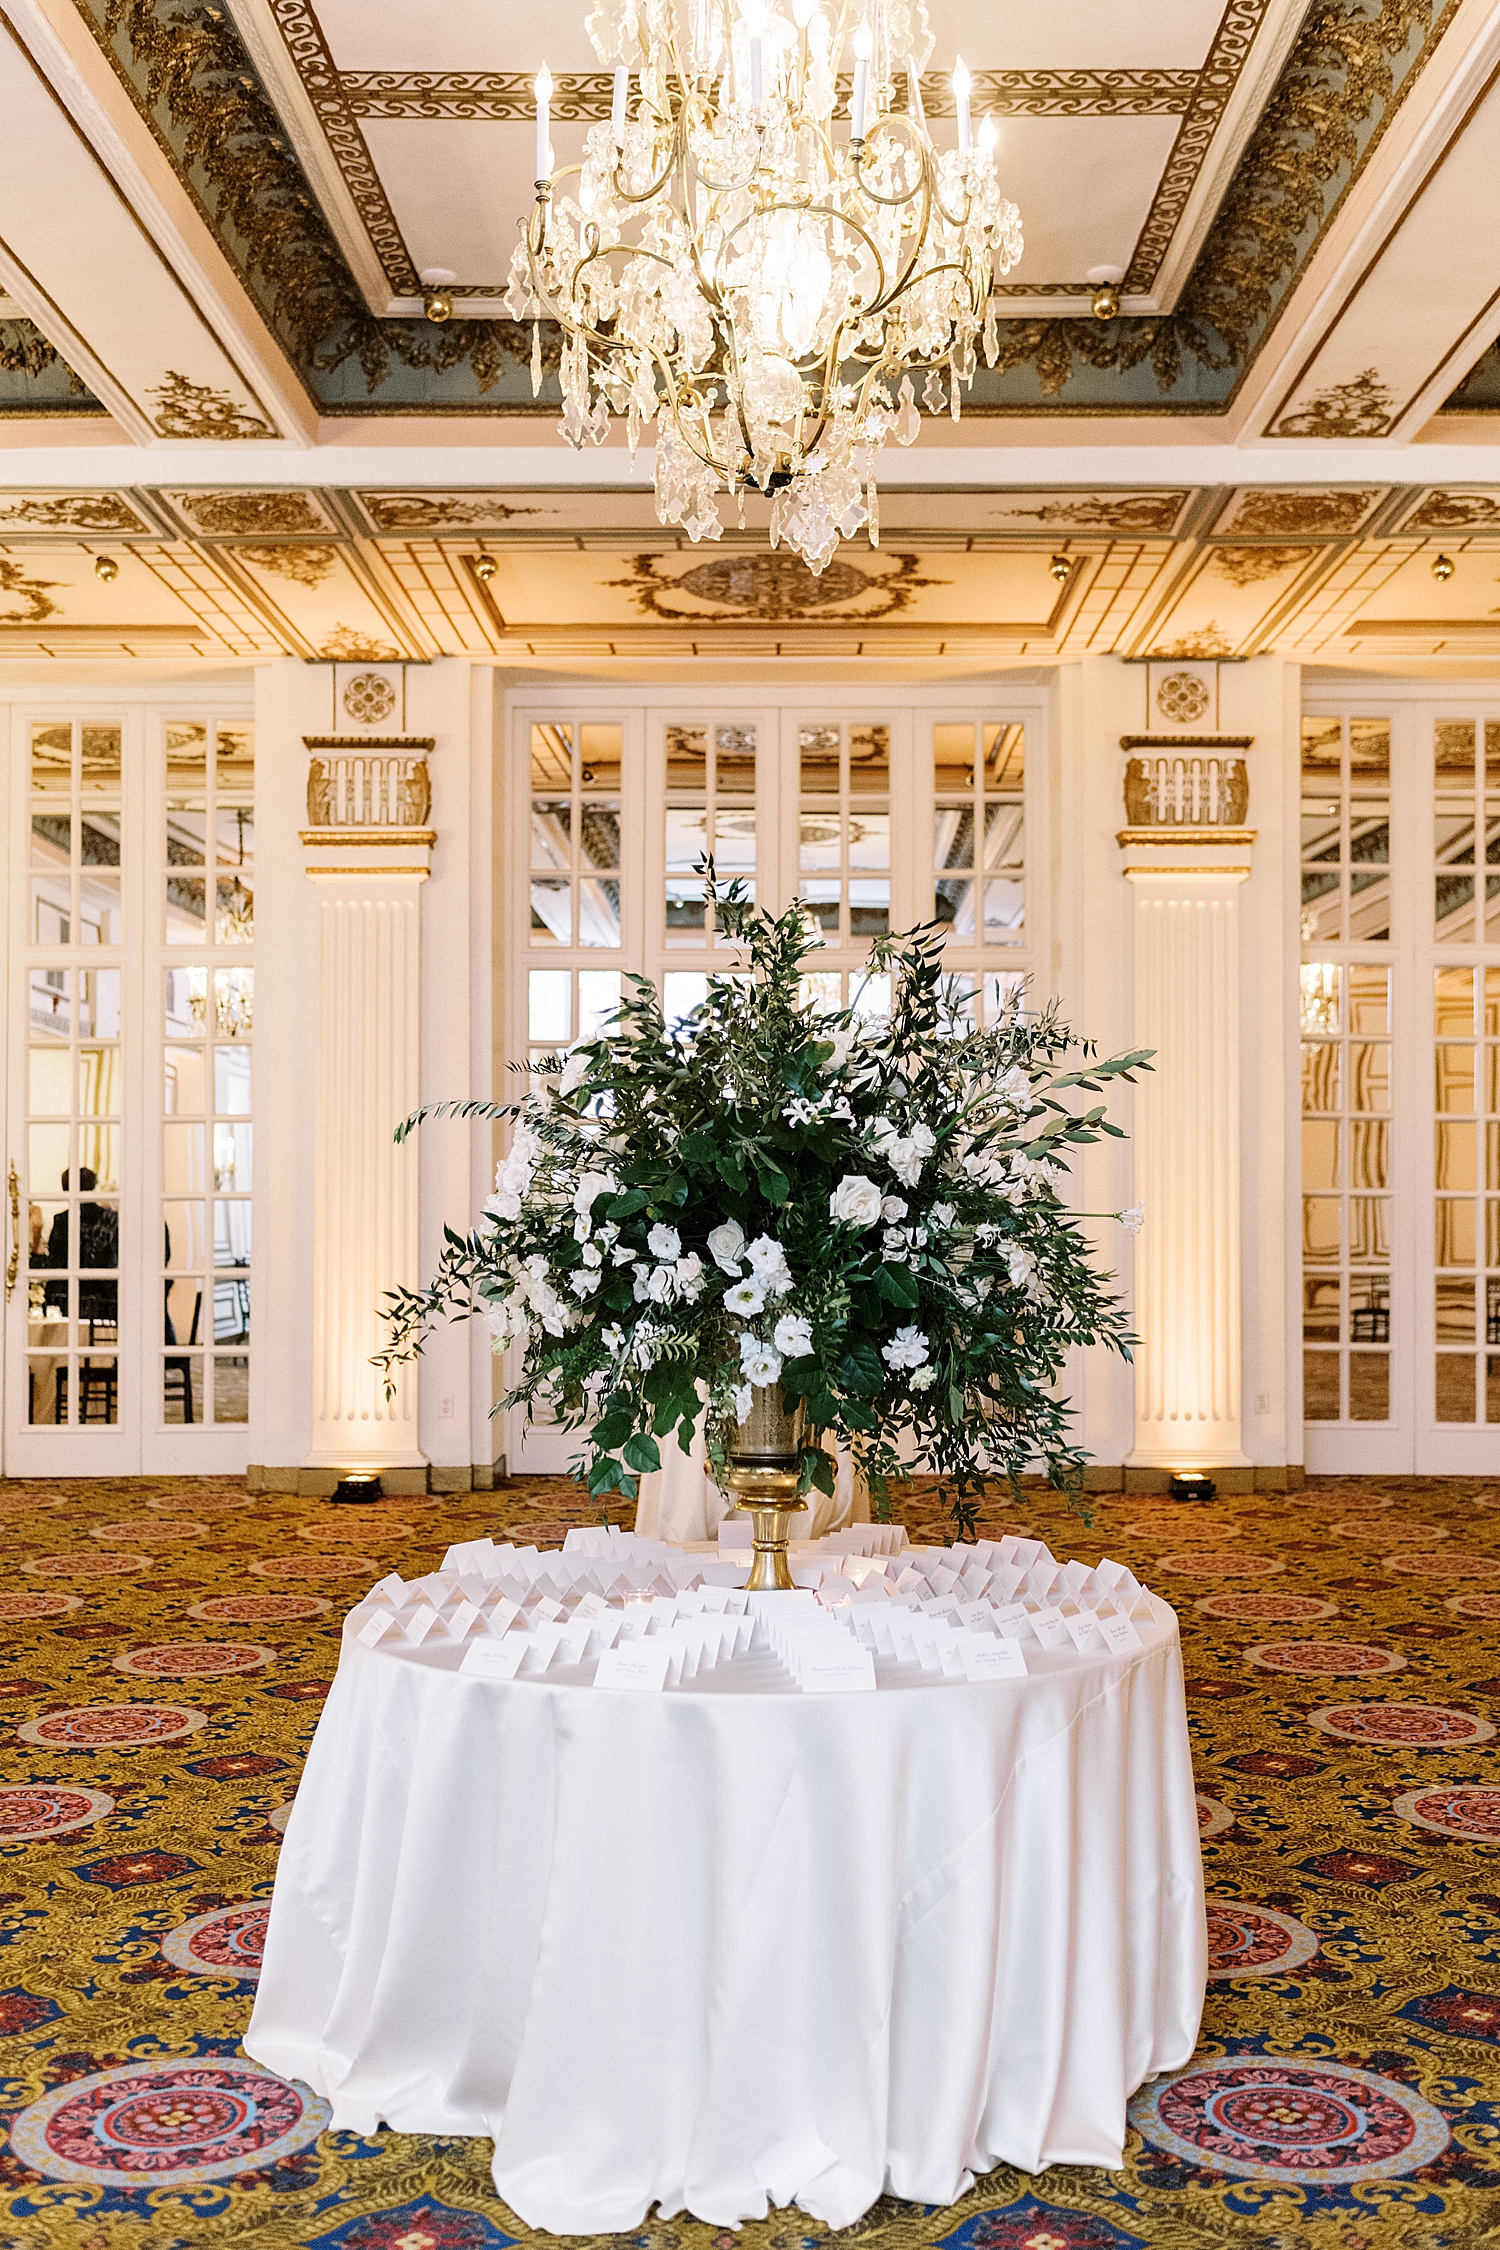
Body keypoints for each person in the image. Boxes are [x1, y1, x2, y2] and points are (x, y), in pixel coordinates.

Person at [43, 1168, 118, 1329]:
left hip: (69, 1294)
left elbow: (57, 1259)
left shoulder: (63, 1220)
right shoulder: (111, 1218)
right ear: (93, 1186)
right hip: (106, 1294)